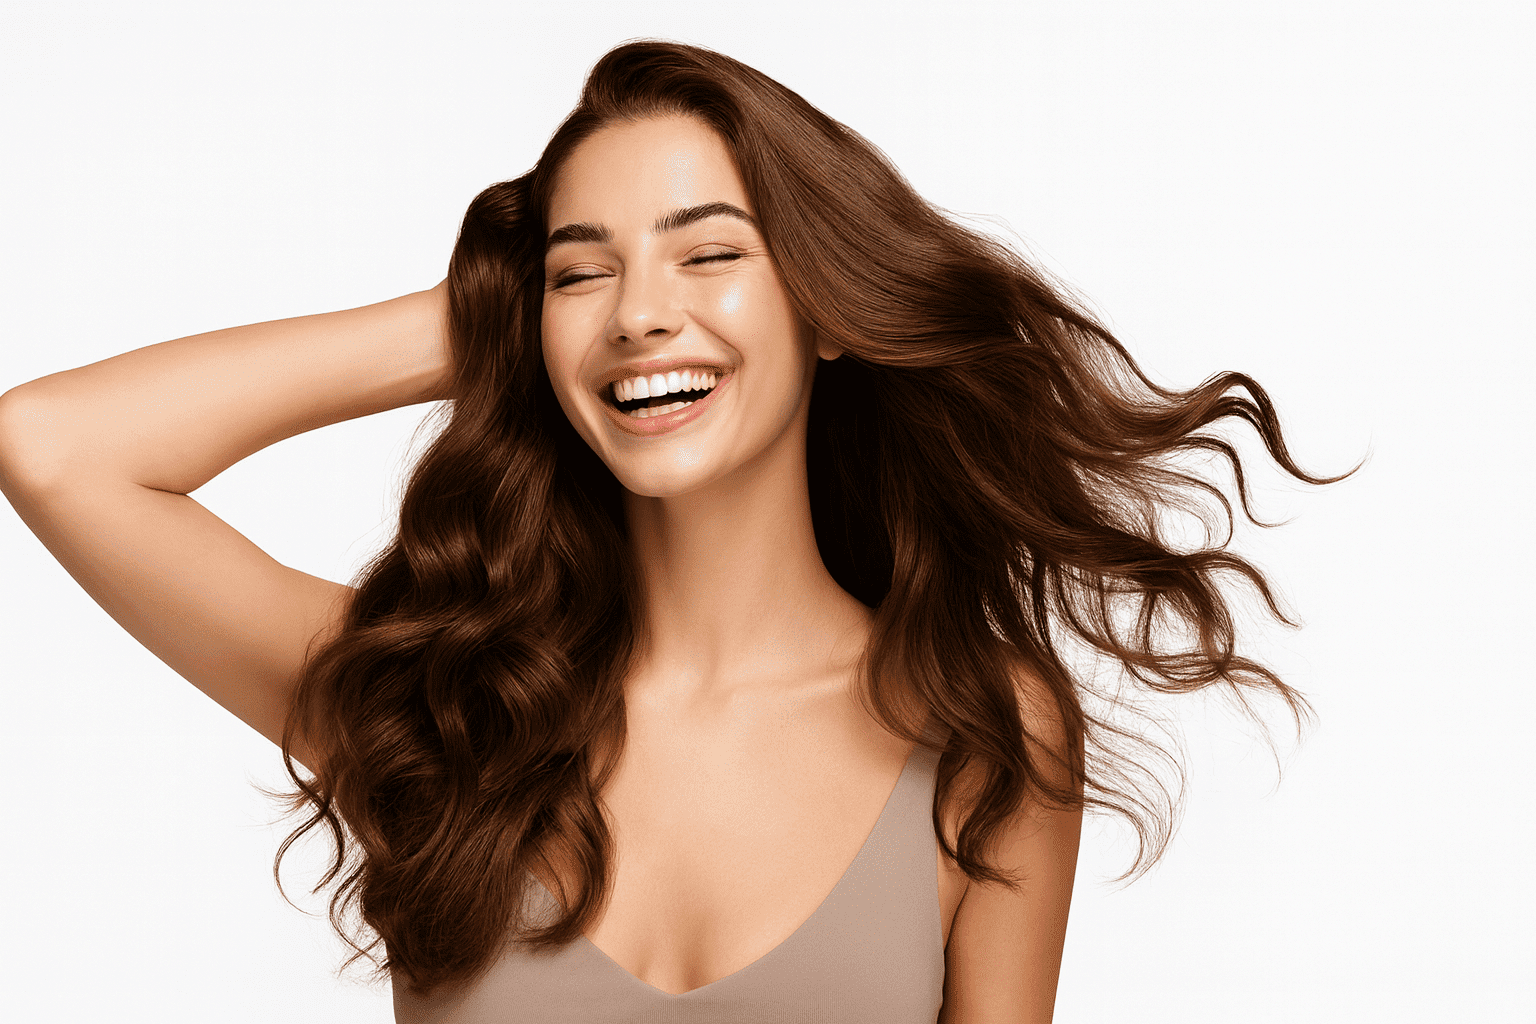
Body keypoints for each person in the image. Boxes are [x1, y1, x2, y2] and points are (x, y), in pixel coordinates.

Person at [0, 40, 1337, 1023]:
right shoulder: (430, 697)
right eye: (583, 268)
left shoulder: (984, 725)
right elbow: (54, 447)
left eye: (708, 253)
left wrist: (584, 291)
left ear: (825, 304)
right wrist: (488, 314)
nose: (640, 312)